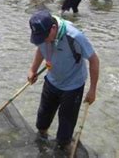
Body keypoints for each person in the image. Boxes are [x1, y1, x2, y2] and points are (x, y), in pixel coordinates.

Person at [27, 10, 99, 151]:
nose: (43, 40)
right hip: (52, 80)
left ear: (53, 28)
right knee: (41, 123)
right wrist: (33, 70)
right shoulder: (43, 35)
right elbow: (41, 49)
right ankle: (42, 143)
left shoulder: (75, 36)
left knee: (64, 136)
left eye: (44, 37)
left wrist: (92, 89)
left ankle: (65, 144)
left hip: (73, 86)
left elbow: (94, 60)